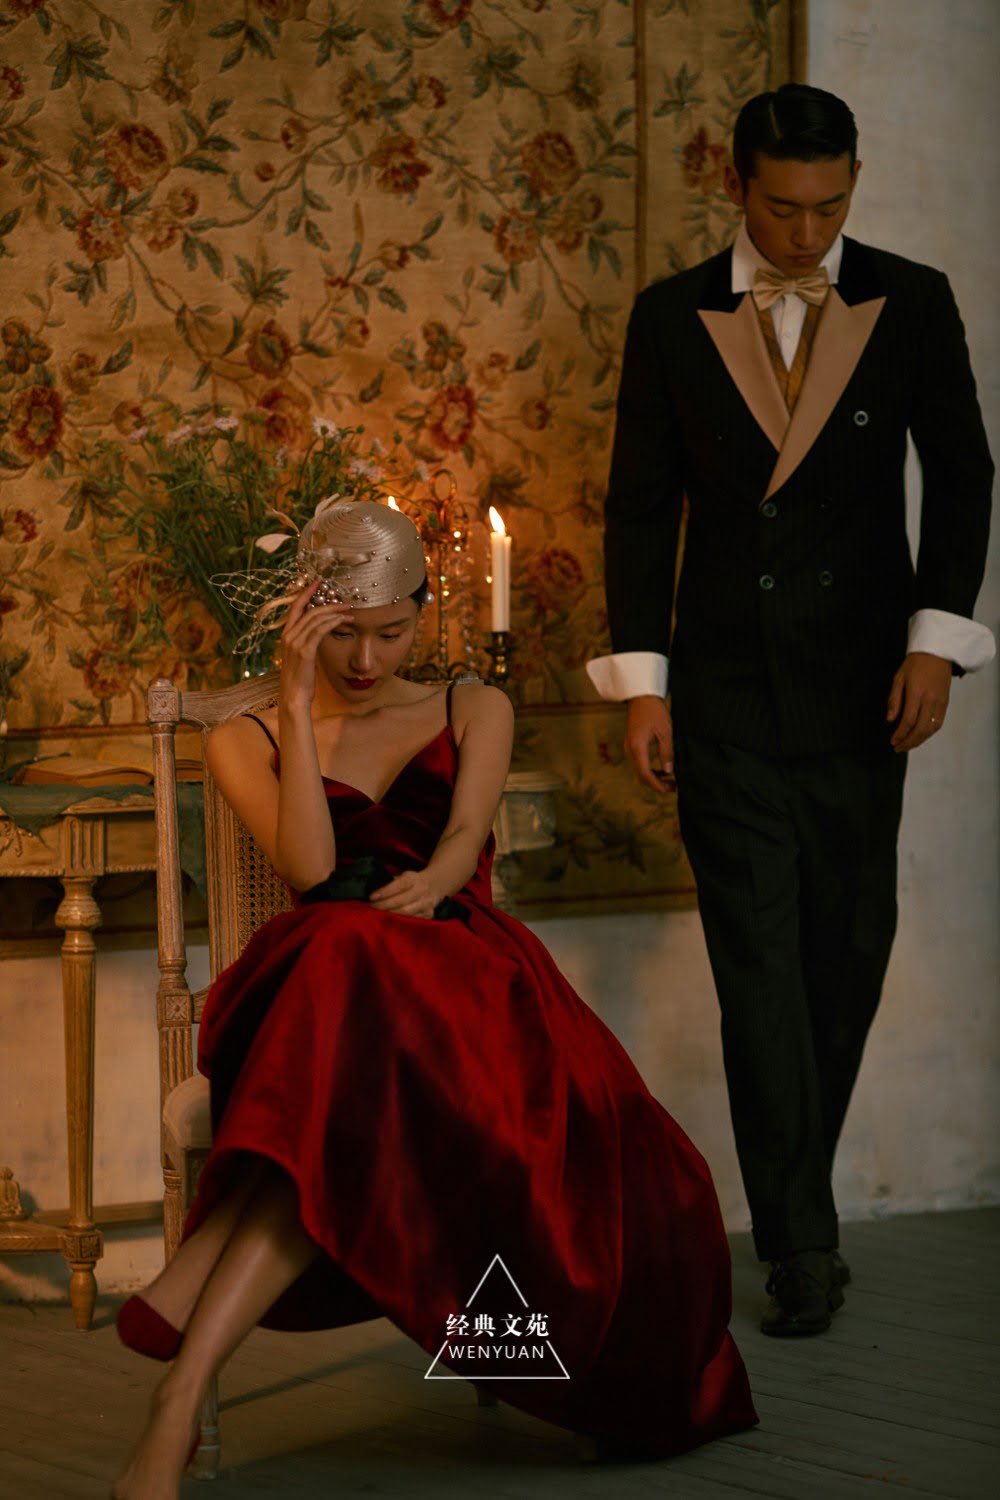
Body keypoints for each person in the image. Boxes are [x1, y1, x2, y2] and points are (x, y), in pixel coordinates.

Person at [111, 499, 758, 1497]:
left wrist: (435, 884)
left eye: (390, 632)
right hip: (321, 981)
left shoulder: (473, 706)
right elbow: (311, 869)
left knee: (346, 1012)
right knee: (344, 949)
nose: (367, 660)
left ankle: (181, 1372)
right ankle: (181, 1389)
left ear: (424, 610)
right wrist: (294, 706)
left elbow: (463, 838)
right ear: (306, 617)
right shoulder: (243, 735)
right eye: (343, 636)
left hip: (461, 968)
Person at [586, 83, 995, 1338]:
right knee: (758, 967)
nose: (807, 233)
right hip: (721, 695)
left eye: (828, 206)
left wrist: (936, 646)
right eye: (782, 209)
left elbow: (963, 474)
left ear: (852, 182)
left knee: (844, 958)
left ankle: (796, 1200)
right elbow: (639, 508)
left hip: (866, 691)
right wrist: (642, 686)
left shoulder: (912, 299)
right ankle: (801, 1246)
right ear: (738, 187)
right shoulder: (671, 317)